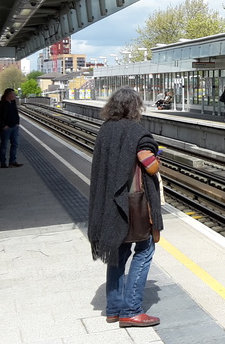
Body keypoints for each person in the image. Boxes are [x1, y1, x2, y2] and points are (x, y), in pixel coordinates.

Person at [88, 86, 163, 328]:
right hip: (134, 203)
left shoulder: (105, 130)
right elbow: (150, 165)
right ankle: (131, 310)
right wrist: (157, 158)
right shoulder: (135, 132)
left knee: (118, 254)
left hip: (111, 204)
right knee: (145, 249)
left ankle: (114, 309)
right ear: (135, 107)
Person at [0, 88, 22, 168]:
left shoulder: (13, 103)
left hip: (14, 127)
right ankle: (3, 163)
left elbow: (16, 113)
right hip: (5, 128)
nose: (14, 96)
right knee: (4, 145)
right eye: (13, 94)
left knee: (15, 144)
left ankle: (12, 161)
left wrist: (17, 123)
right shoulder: (0, 104)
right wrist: (3, 126)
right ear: (8, 95)